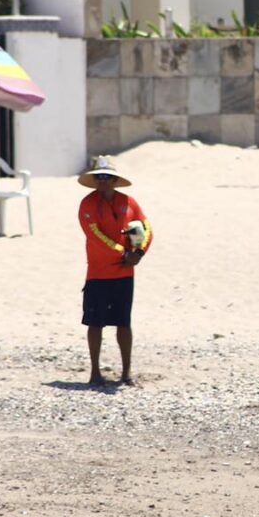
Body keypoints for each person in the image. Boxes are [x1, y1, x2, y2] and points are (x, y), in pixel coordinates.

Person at [77, 156, 154, 387]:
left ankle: (127, 372)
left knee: (123, 323)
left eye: (108, 177)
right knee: (95, 323)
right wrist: (123, 253)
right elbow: (95, 235)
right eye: (99, 178)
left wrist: (139, 252)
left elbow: (146, 227)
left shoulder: (129, 202)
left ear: (114, 180)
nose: (104, 182)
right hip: (98, 273)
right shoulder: (87, 204)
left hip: (124, 273)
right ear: (94, 180)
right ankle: (95, 372)